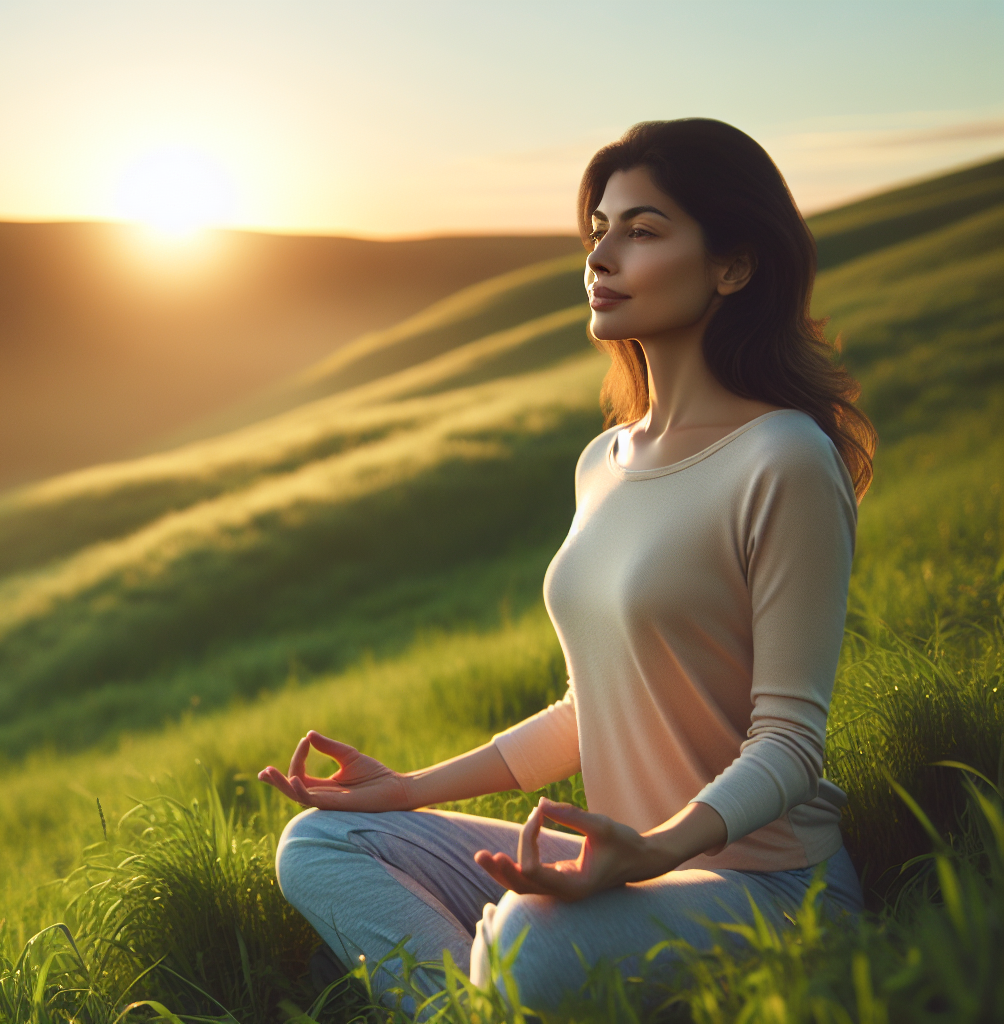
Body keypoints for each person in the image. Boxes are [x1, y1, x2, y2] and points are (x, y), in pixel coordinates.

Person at [258, 118, 878, 1012]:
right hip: (619, 875)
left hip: (770, 894)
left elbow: (789, 740)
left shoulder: (783, 457)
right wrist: (408, 788)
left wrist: (657, 850)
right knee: (324, 844)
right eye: (599, 231)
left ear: (732, 266)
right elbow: (593, 707)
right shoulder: (604, 462)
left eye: (644, 230)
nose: (603, 256)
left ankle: (489, 988)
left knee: (527, 941)